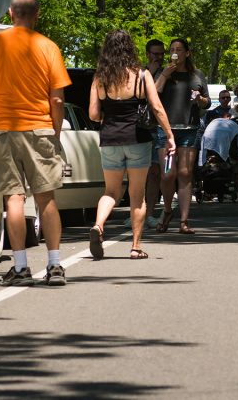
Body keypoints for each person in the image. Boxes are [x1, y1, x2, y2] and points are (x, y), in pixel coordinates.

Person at [0, 0, 70, 286]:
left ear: (10, 13)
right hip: (40, 129)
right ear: (37, 14)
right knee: (46, 198)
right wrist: (54, 131)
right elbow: (58, 100)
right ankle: (54, 266)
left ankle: (21, 267)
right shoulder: (49, 47)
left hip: (3, 130)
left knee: (13, 198)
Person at [88, 30, 175, 260]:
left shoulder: (100, 77)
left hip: (110, 140)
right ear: (130, 49)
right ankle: (136, 247)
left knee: (111, 192)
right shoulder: (141, 75)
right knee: (137, 195)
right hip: (137, 139)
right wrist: (169, 135)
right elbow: (156, 108)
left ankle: (98, 225)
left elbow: (94, 114)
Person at [154, 38, 210, 234]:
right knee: (168, 174)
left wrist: (200, 99)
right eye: (172, 50)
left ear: (187, 53)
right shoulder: (164, 72)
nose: (175, 53)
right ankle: (168, 210)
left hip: (190, 129)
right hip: (166, 131)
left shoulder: (197, 75)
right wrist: (165, 75)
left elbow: (206, 103)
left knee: (185, 173)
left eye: (179, 49)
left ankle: (184, 220)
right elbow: (153, 93)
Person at [127, 39, 167, 230]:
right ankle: (136, 212)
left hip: (159, 127)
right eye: (155, 54)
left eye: (161, 54)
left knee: (155, 172)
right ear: (148, 54)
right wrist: (149, 71)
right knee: (137, 172)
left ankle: (149, 213)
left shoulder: (169, 73)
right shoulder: (140, 73)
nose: (159, 58)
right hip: (141, 126)